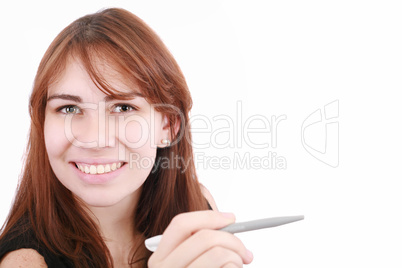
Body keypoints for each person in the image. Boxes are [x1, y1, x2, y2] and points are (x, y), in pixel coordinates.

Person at [0, 8, 253, 268]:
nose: (95, 139)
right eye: (69, 109)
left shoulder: (196, 207)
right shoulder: (25, 263)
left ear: (169, 125)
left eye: (123, 108)